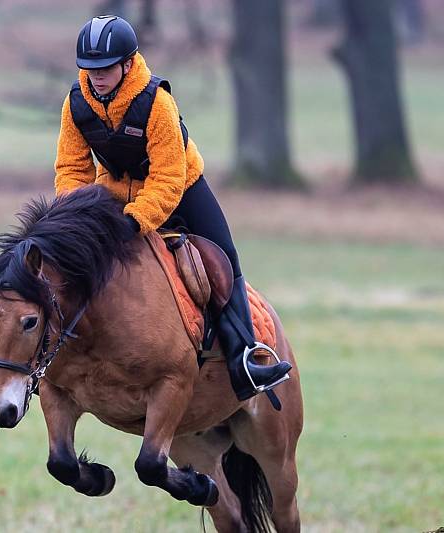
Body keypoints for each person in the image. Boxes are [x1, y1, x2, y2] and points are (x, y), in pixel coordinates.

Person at [54, 15, 291, 401]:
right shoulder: (76, 104)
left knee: (224, 257)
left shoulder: (156, 103)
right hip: (113, 193)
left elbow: (167, 178)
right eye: (90, 69)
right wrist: (74, 217)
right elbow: (72, 169)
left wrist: (135, 222)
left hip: (181, 187)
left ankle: (246, 356)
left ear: (128, 64)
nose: (96, 77)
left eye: (106, 68)